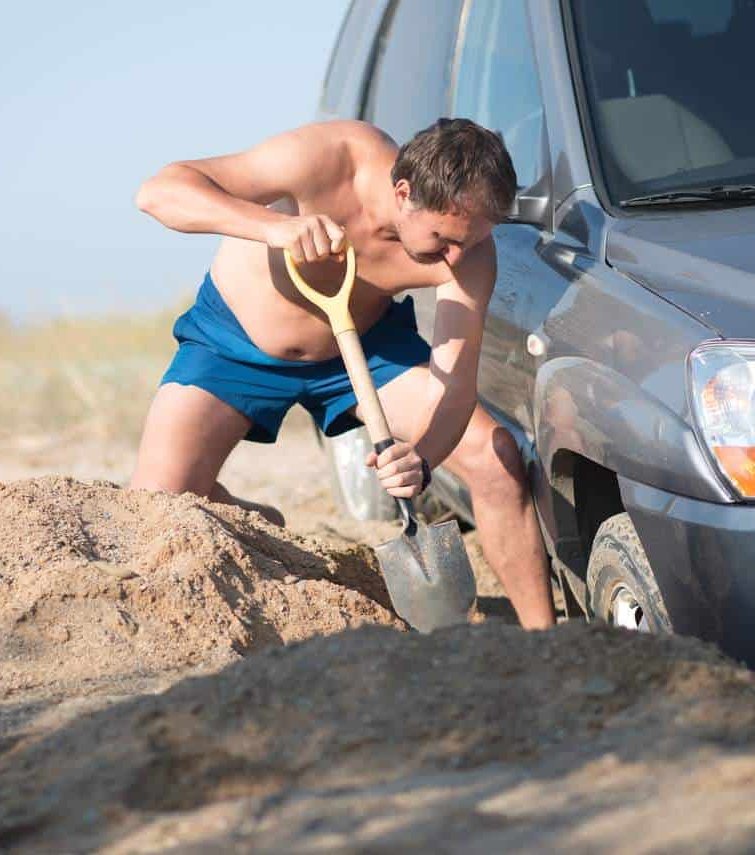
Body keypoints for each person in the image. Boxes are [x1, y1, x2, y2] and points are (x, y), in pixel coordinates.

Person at [130, 118, 554, 629]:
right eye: (443, 239)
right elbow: (159, 193)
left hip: (367, 345)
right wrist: (275, 227)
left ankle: (542, 640)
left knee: (496, 456)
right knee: (156, 504)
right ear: (404, 193)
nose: (456, 257)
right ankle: (247, 517)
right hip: (234, 344)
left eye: (471, 240)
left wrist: (421, 460)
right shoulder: (327, 158)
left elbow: (456, 386)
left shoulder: (470, 256)